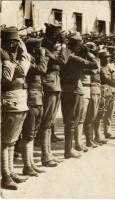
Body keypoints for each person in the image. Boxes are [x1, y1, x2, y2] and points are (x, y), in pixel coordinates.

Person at [1, 27, 31, 190]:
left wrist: (22, 49)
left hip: (19, 101)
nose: (14, 45)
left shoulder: (14, 57)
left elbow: (23, 69)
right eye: (10, 41)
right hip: (9, 102)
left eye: (16, 41)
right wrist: (6, 61)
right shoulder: (3, 58)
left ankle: (11, 172)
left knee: (12, 141)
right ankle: (5, 176)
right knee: (5, 141)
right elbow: (6, 78)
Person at [60, 35, 99, 159]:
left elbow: (90, 71)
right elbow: (95, 65)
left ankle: (69, 149)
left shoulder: (65, 56)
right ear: (77, 45)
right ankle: (68, 150)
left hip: (68, 90)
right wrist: (88, 52)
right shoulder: (73, 57)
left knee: (71, 122)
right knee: (72, 122)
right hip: (73, 91)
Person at [38, 22, 66, 167]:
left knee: (49, 123)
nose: (58, 38)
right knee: (46, 123)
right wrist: (64, 45)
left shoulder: (51, 49)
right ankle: (45, 156)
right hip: (49, 85)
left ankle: (48, 153)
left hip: (55, 84)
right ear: (50, 35)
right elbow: (63, 60)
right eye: (56, 34)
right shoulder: (44, 49)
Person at [21, 38, 48, 177]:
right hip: (31, 99)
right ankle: (27, 166)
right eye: (38, 48)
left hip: (38, 99)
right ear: (33, 48)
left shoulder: (34, 59)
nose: (40, 50)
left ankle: (31, 164)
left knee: (33, 134)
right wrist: (42, 56)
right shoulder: (27, 60)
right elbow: (42, 69)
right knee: (28, 134)